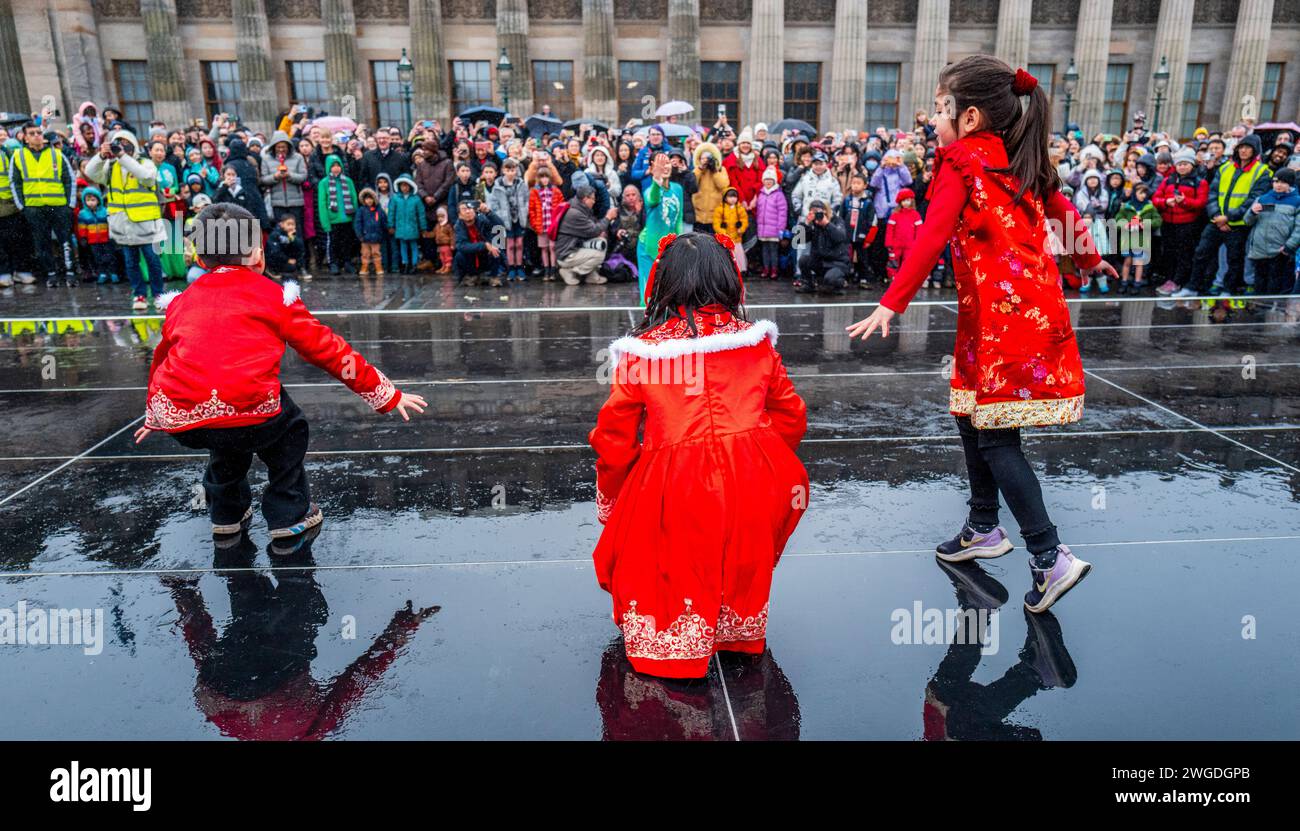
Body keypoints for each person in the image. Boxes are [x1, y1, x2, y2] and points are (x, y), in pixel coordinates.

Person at [847, 57, 1116, 613]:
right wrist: (1089, 260)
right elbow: (1062, 212)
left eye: (941, 109)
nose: (934, 120)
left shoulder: (961, 160)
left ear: (968, 117)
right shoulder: (1020, 159)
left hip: (1002, 324)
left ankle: (1049, 555)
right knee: (970, 414)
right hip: (1020, 317)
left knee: (997, 437)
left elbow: (930, 237)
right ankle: (983, 527)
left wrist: (890, 302)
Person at [135, 202, 426, 548]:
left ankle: (226, 515)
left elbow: (163, 358)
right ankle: (289, 514)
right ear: (257, 256)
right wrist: (384, 392)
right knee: (287, 431)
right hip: (248, 407)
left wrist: (155, 411)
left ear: (200, 259)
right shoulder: (274, 296)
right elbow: (328, 350)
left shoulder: (183, 300)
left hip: (185, 415)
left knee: (225, 436)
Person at [588, 232, 808, 679]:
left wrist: (615, 493)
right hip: (751, 467)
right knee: (740, 553)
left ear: (664, 281)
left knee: (672, 567)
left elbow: (614, 437)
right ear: (729, 278)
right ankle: (733, 632)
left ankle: (676, 648)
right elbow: (790, 414)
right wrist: (766, 463)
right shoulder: (756, 343)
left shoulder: (643, 354)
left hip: (675, 477)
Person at [1180, 133, 1272, 297]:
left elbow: (1253, 200)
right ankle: (1192, 287)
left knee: (1234, 259)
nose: (1244, 151)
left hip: (1238, 225)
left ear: (1255, 151)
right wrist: (1217, 216)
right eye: (1241, 147)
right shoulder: (1225, 168)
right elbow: (1213, 193)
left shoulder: (1262, 172)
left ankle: (1228, 289)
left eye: (1248, 148)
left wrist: (1228, 218)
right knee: (1201, 253)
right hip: (1216, 221)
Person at [85, 129, 166, 310]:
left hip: (146, 224)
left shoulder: (145, 163)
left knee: (153, 261)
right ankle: (139, 295)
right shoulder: (111, 167)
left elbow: (146, 177)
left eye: (124, 142)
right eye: (118, 142)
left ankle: (159, 293)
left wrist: (122, 156)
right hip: (123, 224)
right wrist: (101, 156)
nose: (121, 146)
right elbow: (90, 172)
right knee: (131, 263)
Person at [10, 121, 77, 287]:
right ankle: (51, 273)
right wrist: (22, 206)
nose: (36, 136)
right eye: (31, 133)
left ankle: (70, 272)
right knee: (42, 242)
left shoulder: (57, 154)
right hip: (34, 208)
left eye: (38, 132)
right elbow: (15, 182)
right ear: (25, 138)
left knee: (65, 241)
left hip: (59, 205)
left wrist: (70, 204)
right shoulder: (18, 156)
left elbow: (69, 180)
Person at [1243, 167, 1300, 298]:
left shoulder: (1297, 201)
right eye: (1276, 181)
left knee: (1276, 286)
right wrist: (1252, 212)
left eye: (1283, 182)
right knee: (1260, 285)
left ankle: (1273, 313)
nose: (1278, 185)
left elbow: (1299, 228)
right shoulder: (1262, 198)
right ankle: (1260, 313)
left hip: (1280, 251)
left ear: (1290, 184)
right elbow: (1247, 221)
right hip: (1259, 250)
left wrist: (1289, 246)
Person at [636, 151, 684, 300]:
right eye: (660, 163)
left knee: (670, 290)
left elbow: (679, 218)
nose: (665, 166)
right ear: (652, 168)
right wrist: (656, 180)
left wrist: (681, 242)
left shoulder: (677, 188)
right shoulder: (649, 190)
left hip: (670, 247)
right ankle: (647, 321)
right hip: (648, 247)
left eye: (667, 162)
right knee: (649, 292)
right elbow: (653, 199)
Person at [554, 185, 611, 286]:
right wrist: (608, 217)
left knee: (601, 242)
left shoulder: (578, 207)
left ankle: (591, 276)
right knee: (599, 254)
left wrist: (600, 231)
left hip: (573, 248)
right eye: (592, 199)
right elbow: (593, 230)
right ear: (585, 199)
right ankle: (571, 272)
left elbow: (593, 228)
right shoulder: (575, 213)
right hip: (566, 255)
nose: (594, 201)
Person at [794, 199, 851, 294]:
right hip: (821, 261)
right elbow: (798, 241)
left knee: (830, 281)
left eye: (818, 212)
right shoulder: (813, 224)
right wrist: (806, 224)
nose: (817, 215)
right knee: (803, 260)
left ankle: (840, 283)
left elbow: (840, 237)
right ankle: (809, 284)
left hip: (837, 262)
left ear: (825, 211)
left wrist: (827, 224)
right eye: (813, 211)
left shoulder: (837, 221)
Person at [1114, 182, 1161, 294]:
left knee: (1139, 262)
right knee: (1127, 261)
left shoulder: (1149, 207)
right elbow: (1118, 219)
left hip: (1141, 240)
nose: (1143, 196)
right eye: (1140, 193)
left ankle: (1137, 283)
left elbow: (1158, 220)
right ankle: (1124, 282)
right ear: (1134, 193)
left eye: (1145, 193)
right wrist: (1125, 224)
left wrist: (1145, 224)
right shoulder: (1127, 207)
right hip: (1128, 240)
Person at [316, 155, 357, 274]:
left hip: (347, 219)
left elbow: (353, 198)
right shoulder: (324, 183)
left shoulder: (348, 181)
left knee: (347, 243)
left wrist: (354, 215)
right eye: (333, 166)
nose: (336, 168)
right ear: (328, 168)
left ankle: (347, 262)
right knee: (333, 243)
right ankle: (333, 263)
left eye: (338, 165)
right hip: (333, 219)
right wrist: (325, 222)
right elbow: (322, 204)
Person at [452, 199, 503, 287]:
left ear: (475, 210)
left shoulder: (482, 219)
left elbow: (500, 227)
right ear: (460, 215)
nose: (468, 211)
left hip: (486, 255)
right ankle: (473, 275)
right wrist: (484, 245)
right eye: (464, 209)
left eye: (470, 208)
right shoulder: (458, 226)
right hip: (472, 256)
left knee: (497, 244)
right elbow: (461, 246)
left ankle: (493, 276)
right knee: (459, 255)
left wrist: (488, 212)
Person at [528, 167, 564, 282]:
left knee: (552, 247)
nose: (544, 179)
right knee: (544, 248)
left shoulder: (556, 191)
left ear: (550, 178)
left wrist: (558, 222)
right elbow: (531, 209)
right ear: (538, 179)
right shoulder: (535, 192)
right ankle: (546, 270)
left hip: (552, 225)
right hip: (541, 225)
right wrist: (534, 223)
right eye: (542, 177)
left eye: (546, 177)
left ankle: (553, 270)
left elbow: (561, 207)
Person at [387, 174, 427, 275]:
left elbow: (421, 214)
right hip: (400, 227)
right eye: (402, 185)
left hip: (413, 227)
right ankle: (405, 264)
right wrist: (390, 225)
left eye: (407, 185)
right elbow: (391, 212)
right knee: (403, 246)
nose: (404, 187)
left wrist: (423, 228)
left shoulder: (416, 199)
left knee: (414, 246)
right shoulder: (395, 198)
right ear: (399, 186)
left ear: (411, 186)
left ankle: (414, 264)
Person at [755, 168, 788, 280]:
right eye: (766, 180)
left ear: (774, 181)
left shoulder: (778, 195)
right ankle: (766, 268)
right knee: (764, 250)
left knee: (773, 250)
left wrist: (780, 228)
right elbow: (759, 212)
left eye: (770, 180)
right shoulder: (761, 194)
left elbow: (782, 213)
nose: (768, 182)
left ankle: (774, 269)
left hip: (774, 229)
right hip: (763, 228)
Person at [885, 188, 923, 284]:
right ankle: (893, 277)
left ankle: (906, 279)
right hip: (896, 243)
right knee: (893, 261)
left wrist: (917, 243)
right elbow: (890, 230)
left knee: (909, 262)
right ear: (900, 202)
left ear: (911, 201)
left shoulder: (916, 215)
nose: (906, 203)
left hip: (910, 244)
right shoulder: (895, 215)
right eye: (903, 201)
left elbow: (919, 231)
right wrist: (889, 243)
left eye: (908, 200)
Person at [711, 187, 749, 272]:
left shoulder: (740, 208)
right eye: (730, 196)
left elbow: (744, 220)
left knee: (738, 255)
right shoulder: (720, 209)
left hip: (736, 238)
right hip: (725, 238)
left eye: (734, 197)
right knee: (726, 254)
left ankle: (739, 270)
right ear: (725, 197)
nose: (732, 199)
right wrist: (722, 232)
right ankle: (726, 270)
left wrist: (741, 228)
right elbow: (716, 223)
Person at [353, 188, 388, 276]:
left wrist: (383, 233)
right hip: (365, 237)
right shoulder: (361, 210)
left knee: (376, 253)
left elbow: (384, 222)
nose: (369, 201)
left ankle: (378, 267)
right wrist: (360, 235)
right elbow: (357, 223)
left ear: (374, 199)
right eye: (367, 199)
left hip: (376, 237)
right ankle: (364, 267)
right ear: (364, 200)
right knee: (365, 254)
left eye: (371, 198)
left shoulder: (379, 211)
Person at [266, 213, 307, 279]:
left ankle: (300, 269)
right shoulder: (275, 234)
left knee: (295, 263)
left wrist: (292, 239)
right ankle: (272, 270)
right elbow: (275, 251)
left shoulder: (295, 233)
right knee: (291, 267)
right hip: (278, 260)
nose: (291, 227)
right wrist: (287, 259)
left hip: (288, 259)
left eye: (293, 224)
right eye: (288, 224)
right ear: (281, 224)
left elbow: (301, 248)